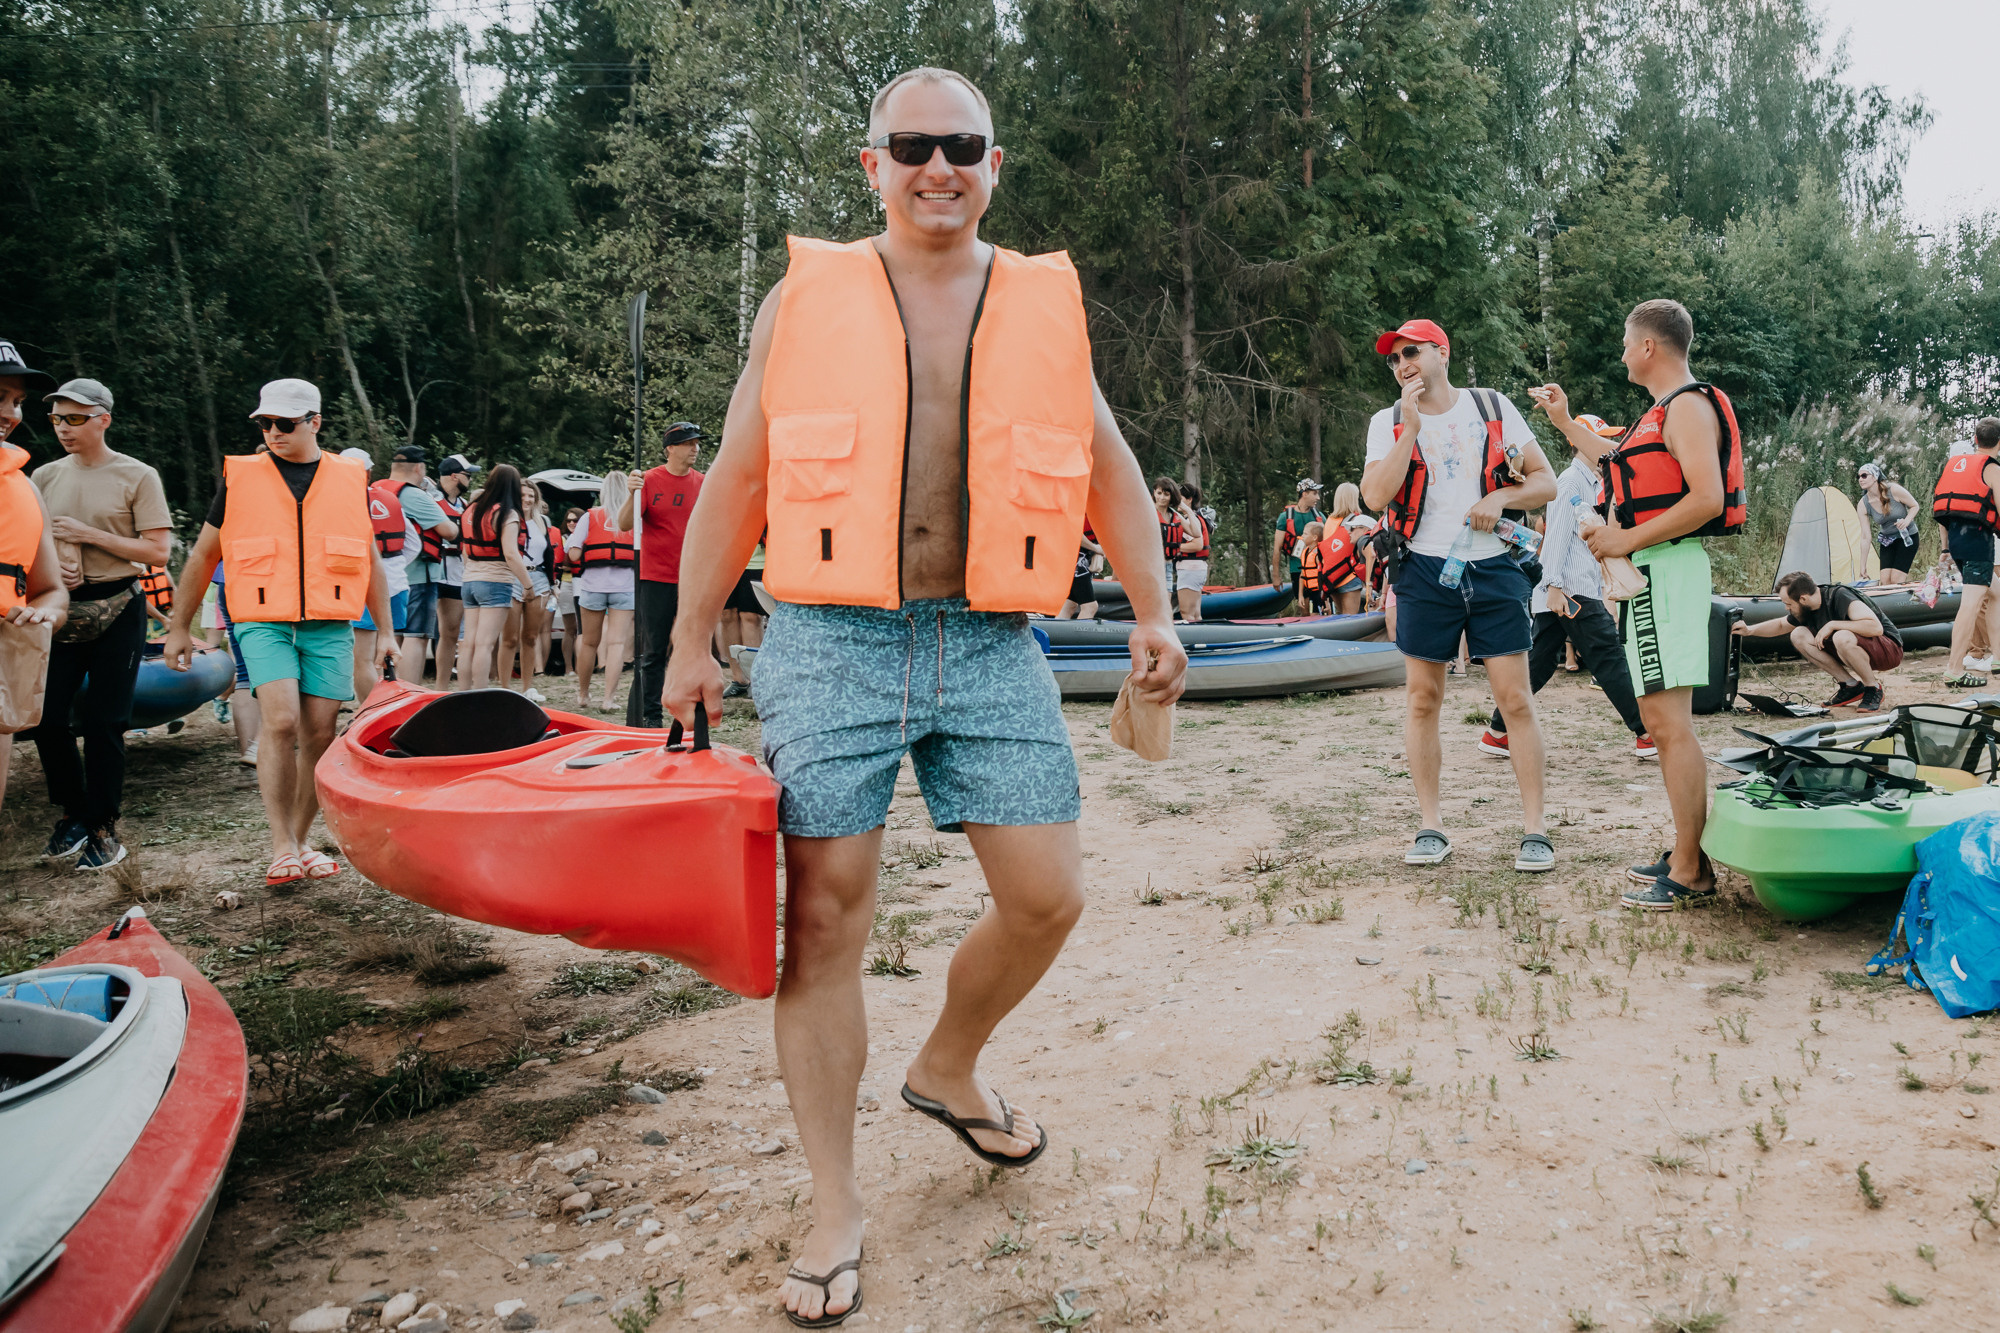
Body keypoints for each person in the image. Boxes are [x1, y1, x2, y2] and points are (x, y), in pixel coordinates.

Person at [660, 66, 1187, 1328]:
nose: (936, 167)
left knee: (1047, 893)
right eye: (912, 146)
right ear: (871, 163)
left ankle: (945, 1065)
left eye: (962, 146)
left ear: (993, 163)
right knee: (829, 919)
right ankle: (833, 1201)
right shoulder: (806, 297)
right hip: (830, 639)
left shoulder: (1041, 302)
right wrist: (686, 641)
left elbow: (1110, 468)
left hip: (988, 636)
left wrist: (1156, 608)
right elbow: (737, 477)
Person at [1542, 300, 1744, 910]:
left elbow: (1707, 497)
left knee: (1667, 725)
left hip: (1665, 570)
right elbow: (1612, 461)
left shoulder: (1685, 407)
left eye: (1628, 343)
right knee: (1662, 722)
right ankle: (1688, 850)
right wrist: (1562, 420)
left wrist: (1624, 540)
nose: (1623, 353)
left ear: (1649, 347)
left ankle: (1690, 871)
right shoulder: (1659, 412)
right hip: (1653, 574)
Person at [163, 378, 397, 886]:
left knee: (319, 730)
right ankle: (279, 844)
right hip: (261, 618)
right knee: (284, 720)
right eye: (265, 423)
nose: (272, 432)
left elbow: (369, 558)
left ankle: (301, 838)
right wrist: (180, 627)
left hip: (329, 620)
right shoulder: (241, 477)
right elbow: (204, 555)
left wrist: (385, 630)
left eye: (284, 424)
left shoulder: (347, 477)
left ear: (315, 422)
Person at [1359, 318, 1557, 871]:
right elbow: (1376, 496)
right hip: (1422, 570)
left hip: (1494, 568)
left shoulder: (1491, 406)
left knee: (1515, 700)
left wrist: (1497, 495)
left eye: (1412, 353)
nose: (1403, 365)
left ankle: (1535, 831)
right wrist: (1410, 428)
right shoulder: (1389, 420)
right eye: (1395, 359)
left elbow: (1547, 482)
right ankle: (1430, 827)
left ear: (1442, 353)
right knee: (1423, 699)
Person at [30, 376, 173, 871]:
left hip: (119, 605)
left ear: (103, 420)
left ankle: (103, 825)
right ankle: (72, 812)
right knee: (47, 717)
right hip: (61, 607)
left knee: (105, 720)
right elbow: (31, 540)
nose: (63, 429)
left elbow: (158, 551)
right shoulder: (43, 476)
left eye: (75, 418)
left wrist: (89, 536)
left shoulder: (137, 475)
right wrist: (56, 562)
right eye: (56, 419)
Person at [1478, 412, 1652, 760]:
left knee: (1538, 664)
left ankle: (1498, 732)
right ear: (1578, 443)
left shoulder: (1594, 483)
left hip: (1565, 588)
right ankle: (1647, 732)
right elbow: (1554, 538)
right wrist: (1554, 586)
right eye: (1598, 438)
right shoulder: (1570, 482)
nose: (1605, 446)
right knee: (1608, 655)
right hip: (1568, 588)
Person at [0, 340, 70, 818]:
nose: (10, 413)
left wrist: (49, 613)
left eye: (16, 401)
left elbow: (51, 587)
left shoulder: (22, 484)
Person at [624, 422, 704, 726]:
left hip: (692, 578)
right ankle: (650, 714)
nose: (695, 448)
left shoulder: (703, 482)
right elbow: (624, 523)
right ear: (670, 448)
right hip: (655, 577)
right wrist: (630, 493)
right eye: (688, 443)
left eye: (696, 443)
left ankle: (687, 709)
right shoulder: (649, 480)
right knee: (655, 649)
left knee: (690, 646)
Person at [1735, 572, 1901, 711]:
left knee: (1841, 635)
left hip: (1888, 650)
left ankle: (1873, 688)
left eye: (1789, 604)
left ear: (1804, 599)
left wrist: (1832, 624)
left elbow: (1875, 628)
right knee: (1798, 634)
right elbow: (1780, 625)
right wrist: (1750, 630)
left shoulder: (1839, 595)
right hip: (1853, 649)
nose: (1787, 608)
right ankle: (1850, 686)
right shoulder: (1806, 609)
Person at [374, 444, 458, 683]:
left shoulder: (375, 490)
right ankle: (409, 695)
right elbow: (450, 531)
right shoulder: (414, 495)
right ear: (420, 468)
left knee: (388, 635)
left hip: (380, 577)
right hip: (417, 576)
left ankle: (384, 692)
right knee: (415, 636)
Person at [456, 463, 537, 692]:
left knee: (468, 643)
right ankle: (480, 696)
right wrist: (528, 585)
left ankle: (462, 694)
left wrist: (472, 572)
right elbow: (511, 553)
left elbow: (464, 550)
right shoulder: (507, 513)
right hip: (495, 581)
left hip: (470, 579)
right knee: (484, 644)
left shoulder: (471, 509)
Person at [1934, 419, 2000, 688]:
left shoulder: (1957, 465)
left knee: (1996, 592)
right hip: (1977, 543)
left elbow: (1943, 512)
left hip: (1958, 542)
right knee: (1970, 606)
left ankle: (1997, 657)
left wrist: (1946, 548)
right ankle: (1954, 669)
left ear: (1975, 438)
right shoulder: (1992, 468)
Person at [564, 471, 636, 712]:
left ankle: (583, 695)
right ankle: (609, 699)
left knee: (589, 643)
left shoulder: (590, 516)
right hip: (625, 588)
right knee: (616, 644)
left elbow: (573, 553)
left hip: (592, 587)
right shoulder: (634, 517)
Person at [429, 453, 475, 686]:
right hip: (436, 572)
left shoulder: (465, 505)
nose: (471, 480)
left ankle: (442, 687)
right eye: (468, 476)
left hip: (459, 574)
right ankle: (437, 687)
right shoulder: (431, 501)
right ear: (455, 476)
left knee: (451, 632)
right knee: (434, 633)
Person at [517, 484, 555, 700]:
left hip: (539, 577)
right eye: (523, 495)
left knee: (531, 635)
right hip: (514, 576)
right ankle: (504, 685)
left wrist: (552, 584)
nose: (527, 499)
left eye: (531, 495)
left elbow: (548, 553)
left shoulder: (542, 521)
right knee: (510, 638)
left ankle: (528, 687)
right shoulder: (509, 518)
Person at [1857, 462, 1920, 585]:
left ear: (1875, 477)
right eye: (1858, 476)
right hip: (1887, 540)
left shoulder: (1893, 490)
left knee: (1896, 580)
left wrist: (1907, 521)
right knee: (1885, 582)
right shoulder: (1863, 504)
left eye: (1864, 475)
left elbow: (1915, 505)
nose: (1860, 479)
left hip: (1907, 537)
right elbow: (1865, 537)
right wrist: (1862, 566)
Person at [1271, 478, 1324, 606]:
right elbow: (1277, 548)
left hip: (1317, 568)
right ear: (1304, 494)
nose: (1318, 497)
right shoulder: (1285, 517)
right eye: (1314, 493)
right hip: (1297, 569)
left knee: (1319, 606)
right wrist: (1276, 576)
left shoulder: (1319, 516)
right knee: (1304, 607)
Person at [1323, 482, 1368, 615]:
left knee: (1339, 617)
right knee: (1351, 619)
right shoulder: (1357, 520)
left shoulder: (1329, 520)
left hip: (1332, 576)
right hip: (1349, 575)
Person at [1174, 482, 1214, 622]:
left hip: (1190, 569)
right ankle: (1200, 641)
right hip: (1196, 569)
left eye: (1180, 498)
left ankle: (1193, 642)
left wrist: (1173, 548)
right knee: (1195, 614)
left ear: (1189, 499)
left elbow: (1198, 545)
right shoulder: (1195, 518)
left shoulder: (1193, 520)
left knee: (1187, 613)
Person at [1056, 518, 1102, 619]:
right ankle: (1081, 635)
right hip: (1076, 556)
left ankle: (1057, 634)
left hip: (1077, 555)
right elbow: (1074, 531)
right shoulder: (1085, 506)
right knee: (1090, 607)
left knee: (1070, 605)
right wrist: (1095, 548)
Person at [1153, 478, 1187, 609]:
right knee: (1154, 604)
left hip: (1167, 566)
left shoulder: (1174, 515)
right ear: (1154, 493)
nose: (1162, 497)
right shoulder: (1148, 512)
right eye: (1159, 493)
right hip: (1152, 566)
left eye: (1166, 495)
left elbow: (1196, 533)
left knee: (1166, 607)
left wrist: (1185, 509)